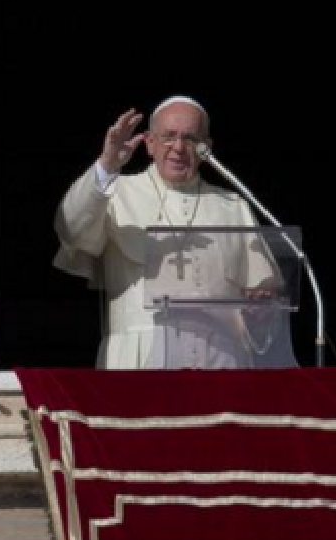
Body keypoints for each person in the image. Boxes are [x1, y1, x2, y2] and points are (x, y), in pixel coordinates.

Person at [53, 95, 298, 370]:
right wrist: (107, 165)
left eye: (191, 138)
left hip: (222, 363)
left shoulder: (232, 206)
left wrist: (260, 313)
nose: (179, 148)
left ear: (207, 147)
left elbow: (265, 305)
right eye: (169, 136)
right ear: (150, 142)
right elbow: (70, 229)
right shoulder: (115, 193)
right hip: (140, 363)